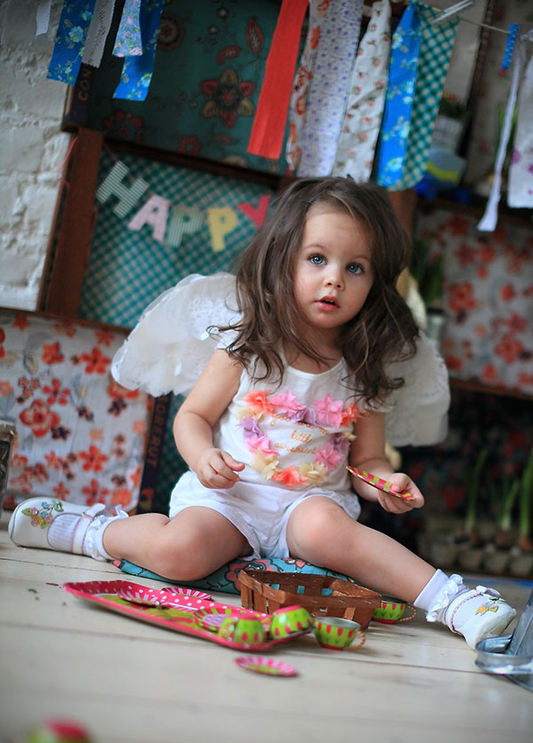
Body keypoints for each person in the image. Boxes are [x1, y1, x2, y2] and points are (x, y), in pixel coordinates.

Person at [9, 177, 515, 649]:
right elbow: (193, 417)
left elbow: (365, 462)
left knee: (327, 531)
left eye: (355, 268)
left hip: (310, 506)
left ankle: (455, 601)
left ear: (375, 283)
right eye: (317, 259)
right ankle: (90, 530)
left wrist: (385, 482)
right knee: (180, 552)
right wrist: (202, 456)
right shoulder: (247, 344)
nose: (334, 280)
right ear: (282, 261)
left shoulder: (365, 369)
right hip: (233, 497)